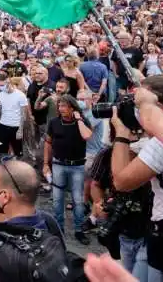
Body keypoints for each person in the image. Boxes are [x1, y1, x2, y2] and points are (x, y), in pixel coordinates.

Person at [111, 75, 163, 282]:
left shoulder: (162, 144)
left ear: (158, 107)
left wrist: (121, 132)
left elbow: (121, 181)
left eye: (138, 104)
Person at [43, 94, 93, 245]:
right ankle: (59, 230)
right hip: (58, 164)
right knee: (58, 200)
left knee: (78, 200)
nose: (60, 109)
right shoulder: (54, 122)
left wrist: (78, 119)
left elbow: (87, 136)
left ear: (73, 108)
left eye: (64, 106)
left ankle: (79, 230)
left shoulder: (82, 122)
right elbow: (48, 143)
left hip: (77, 165)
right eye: (59, 106)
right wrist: (46, 164)